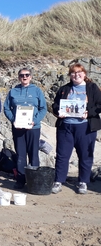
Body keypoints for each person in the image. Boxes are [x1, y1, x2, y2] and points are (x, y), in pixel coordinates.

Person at [51, 63, 101, 194]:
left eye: (79, 72)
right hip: (65, 126)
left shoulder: (92, 88)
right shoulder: (64, 88)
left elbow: (99, 105)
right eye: (73, 73)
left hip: (85, 127)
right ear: (70, 75)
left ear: (84, 74)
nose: (76, 75)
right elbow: (55, 105)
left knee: (85, 155)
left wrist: (89, 113)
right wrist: (58, 112)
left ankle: (83, 182)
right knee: (62, 155)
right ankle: (58, 181)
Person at [4, 68, 47, 189]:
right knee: (20, 155)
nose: (24, 77)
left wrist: (36, 121)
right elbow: (6, 108)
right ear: (18, 77)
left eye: (27, 75)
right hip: (18, 128)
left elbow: (43, 108)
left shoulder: (37, 91)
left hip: (33, 128)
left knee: (33, 154)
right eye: (22, 75)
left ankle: (34, 181)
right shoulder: (13, 91)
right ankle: (21, 180)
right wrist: (13, 120)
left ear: (31, 77)